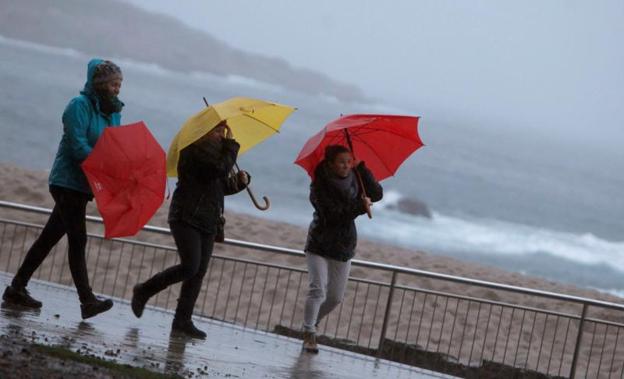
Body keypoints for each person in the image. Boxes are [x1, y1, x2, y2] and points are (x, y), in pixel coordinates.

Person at [2, 58, 124, 319]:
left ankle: (16, 287)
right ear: (100, 83)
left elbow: (114, 147)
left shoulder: (113, 112)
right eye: (114, 84)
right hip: (66, 181)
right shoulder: (78, 106)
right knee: (78, 239)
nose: (117, 89)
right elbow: (77, 145)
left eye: (120, 84)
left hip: (86, 185)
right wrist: (101, 164)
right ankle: (87, 301)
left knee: (48, 238)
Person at [131, 120, 249, 339]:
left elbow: (217, 187)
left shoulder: (218, 154)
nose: (220, 134)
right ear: (203, 131)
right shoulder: (193, 150)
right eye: (215, 130)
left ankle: (182, 320)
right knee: (190, 266)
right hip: (186, 216)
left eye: (222, 130)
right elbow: (215, 169)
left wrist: (239, 183)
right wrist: (231, 147)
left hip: (208, 219)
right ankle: (144, 290)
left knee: (198, 273)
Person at [301, 145, 383, 353]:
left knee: (335, 297)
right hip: (319, 244)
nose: (346, 165)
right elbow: (333, 214)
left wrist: (363, 169)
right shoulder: (319, 185)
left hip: (344, 245)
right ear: (330, 163)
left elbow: (377, 194)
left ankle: (312, 323)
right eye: (341, 162)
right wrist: (359, 207)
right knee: (317, 290)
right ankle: (309, 332)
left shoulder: (357, 178)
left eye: (349, 161)